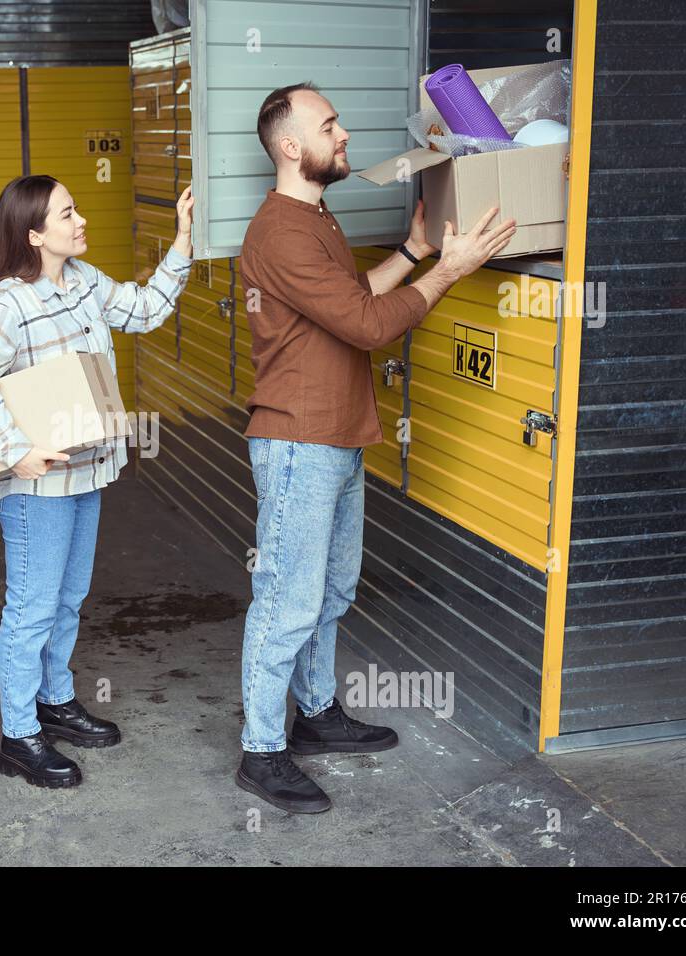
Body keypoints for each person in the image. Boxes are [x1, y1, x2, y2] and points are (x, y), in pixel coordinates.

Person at [235, 82, 516, 813]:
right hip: (299, 441)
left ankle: (317, 713)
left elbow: (351, 297)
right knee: (286, 601)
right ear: (292, 145)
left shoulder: (312, 218)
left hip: (338, 435)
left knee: (330, 591)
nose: (345, 133)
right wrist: (449, 271)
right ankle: (262, 750)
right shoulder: (281, 233)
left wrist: (414, 251)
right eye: (330, 125)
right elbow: (368, 327)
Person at [0, 174, 195, 788]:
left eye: (76, 207)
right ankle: (19, 735)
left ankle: (54, 702)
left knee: (67, 600)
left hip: (87, 474)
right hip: (37, 490)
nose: (80, 220)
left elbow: (143, 310)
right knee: (31, 610)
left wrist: (184, 241)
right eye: (67, 213)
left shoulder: (84, 282)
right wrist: (16, 450)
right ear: (34, 235)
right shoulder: (13, 302)